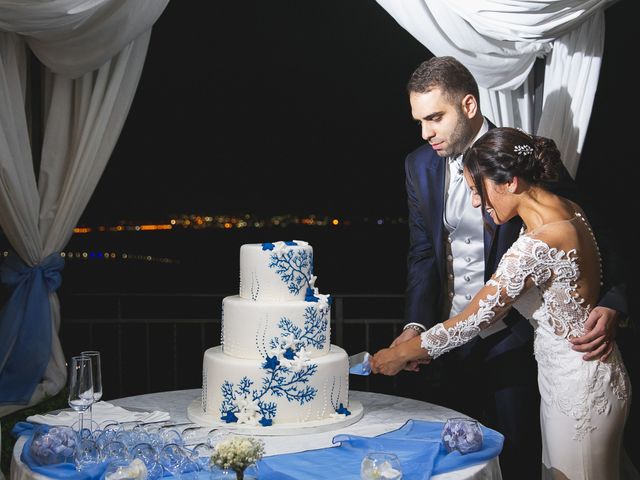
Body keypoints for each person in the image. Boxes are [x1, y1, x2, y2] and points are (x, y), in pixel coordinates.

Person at [389, 57, 627, 479]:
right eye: (419, 120)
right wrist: (414, 327)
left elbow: (595, 235)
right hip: (449, 344)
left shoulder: (519, 160)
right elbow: (423, 253)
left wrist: (613, 303)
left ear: (468, 105)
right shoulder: (417, 165)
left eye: (435, 118)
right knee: (457, 462)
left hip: (516, 344)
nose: (426, 132)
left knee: (522, 460)